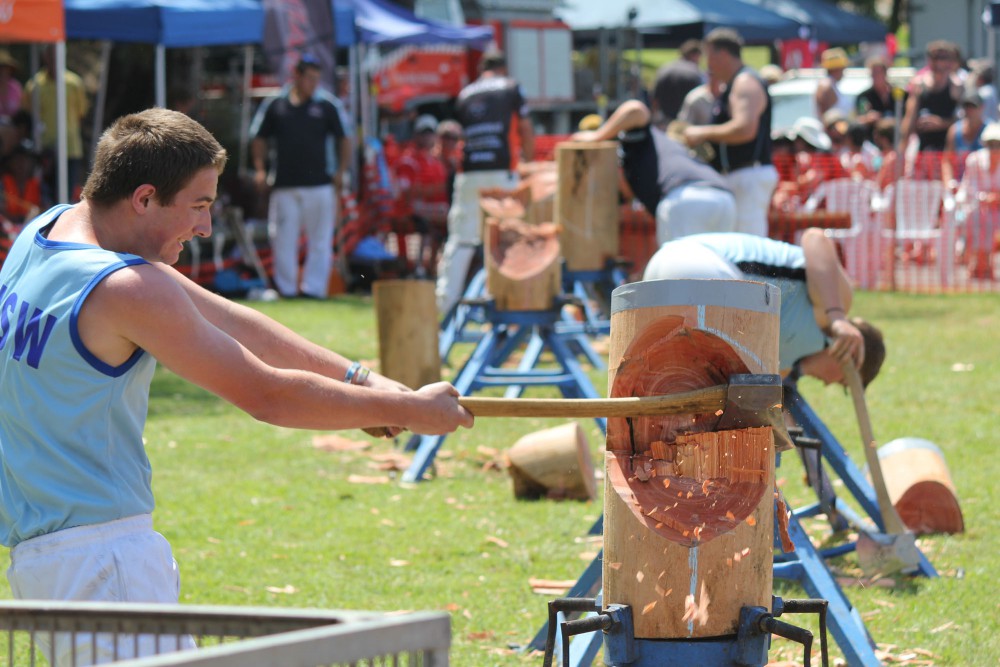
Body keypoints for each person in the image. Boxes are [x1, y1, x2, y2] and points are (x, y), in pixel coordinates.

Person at [0, 108, 474, 666]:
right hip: (102, 561)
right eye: (198, 205)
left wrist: (363, 381)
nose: (205, 227)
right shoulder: (127, 287)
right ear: (145, 198)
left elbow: (226, 318)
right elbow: (266, 394)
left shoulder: (47, 231)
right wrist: (409, 411)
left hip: (46, 559)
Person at [643, 229, 885, 386]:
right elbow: (815, 238)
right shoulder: (836, 304)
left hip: (659, 272)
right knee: (726, 388)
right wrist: (838, 318)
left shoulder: (783, 363)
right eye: (842, 382)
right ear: (851, 355)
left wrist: (800, 371)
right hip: (698, 263)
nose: (828, 384)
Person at [435, 49, 534, 314]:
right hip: (502, 171)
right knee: (508, 239)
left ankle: (444, 306)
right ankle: (509, 304)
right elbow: (525, 128)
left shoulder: (465, 93)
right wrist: (529, 164)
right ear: (503, 68)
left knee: (461, 241)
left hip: (469, 173)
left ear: (482, 70)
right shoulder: (511, 87)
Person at [250, 54, 349, 299]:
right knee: (282, 239)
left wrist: (341, 171)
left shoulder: (327, 105)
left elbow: (344, 138)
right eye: (309, 78)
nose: (314, 84)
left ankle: (314, 290)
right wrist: (260, 169)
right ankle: (287, 290)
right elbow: (259, 138)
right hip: (285, 184)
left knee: (320, 240)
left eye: (317, 79)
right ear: (297, 76)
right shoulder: (276, 104)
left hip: (320, 184)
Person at [571, 99, 736, 244]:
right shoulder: (646, 163)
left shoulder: (634, 140)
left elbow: (636, 109)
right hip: (723, 198)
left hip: (684, 197)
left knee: (679, 269)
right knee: (712, 267)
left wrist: (597, 136)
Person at [684, 28, 777, 238]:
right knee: (736, 243)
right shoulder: (734, 83)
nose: (707, 65)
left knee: (748, 246)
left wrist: (702, 133)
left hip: (748, 175)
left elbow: (745, 129)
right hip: (739, 176)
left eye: (709, 56)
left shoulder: (745, 82)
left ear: (723, 54)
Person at [21, 46, 88, 203]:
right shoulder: (34, 85)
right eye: (50, 55)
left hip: (70, 149)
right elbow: (27, 116)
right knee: (44, 198)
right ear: (45, 57)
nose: (54, 58)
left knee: (65, 197)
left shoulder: (74, 83)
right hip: (43, 151)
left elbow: (81, 114)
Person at [900, 41, 963, 179]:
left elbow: (964, 120)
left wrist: (941, 123)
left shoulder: (957, 86)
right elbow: (909, 118)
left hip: (947, 147)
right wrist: (902, 148)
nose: (938, 62)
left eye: (942, 57)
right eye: (934, 57)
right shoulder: (919, 85)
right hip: (922, 146)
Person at [396, 114, 449, 276]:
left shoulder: (434, 160)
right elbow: (407, 192)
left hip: (430, 208)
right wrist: (435, 189)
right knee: (444, 218)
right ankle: (420, 267)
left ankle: (430, 267)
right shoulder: (408, 160)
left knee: (450, 219)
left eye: (430, 133)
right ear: (416, 135)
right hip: (408, 210)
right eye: (423, 133)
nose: (427, 137)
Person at [956, 122, 1000, 280]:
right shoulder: (974, 160)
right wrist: (986, 198)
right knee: (978, 216)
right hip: (974, 207)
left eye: (998, 144)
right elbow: (969, 188)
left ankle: (982, 264)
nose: (994, 148)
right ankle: (980, 263)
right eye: (990, 144)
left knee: (990, 219)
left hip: (996, 209)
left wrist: (995, 198)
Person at [651, 39, 705, 126]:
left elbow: (655, 100)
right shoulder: (696, 72)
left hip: (665, 122)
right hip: (687, 124)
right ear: (694, 55)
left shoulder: (664, 69)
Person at [942, 90, 986, 190]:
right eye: (966, 107)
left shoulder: (990, 131)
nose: (969, 111)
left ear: (981, 108)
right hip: (959, 186)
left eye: (973, 107)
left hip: (982, 187)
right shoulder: (954, 131)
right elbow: (947, 160)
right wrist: (949, 183)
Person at [0, 138, 42, 225]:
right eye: (19, 159)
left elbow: (47, 209)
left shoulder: (39, 186)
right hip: (6, 230)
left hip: (32, 228)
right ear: (10, 162)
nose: (23, 164)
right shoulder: (3, 183)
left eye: (27, 160)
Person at [815, 47, 854, 120]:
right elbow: (825, 117)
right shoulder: (826, 86)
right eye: (842, 68)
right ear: (837, 69)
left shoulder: (831, 85)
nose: (843, 72)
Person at [0, 49, 23, 122]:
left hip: (13, 126)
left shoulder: (16, 88)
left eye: (6, 68)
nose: (3, 72)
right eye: (1, 68)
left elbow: (21, 111)